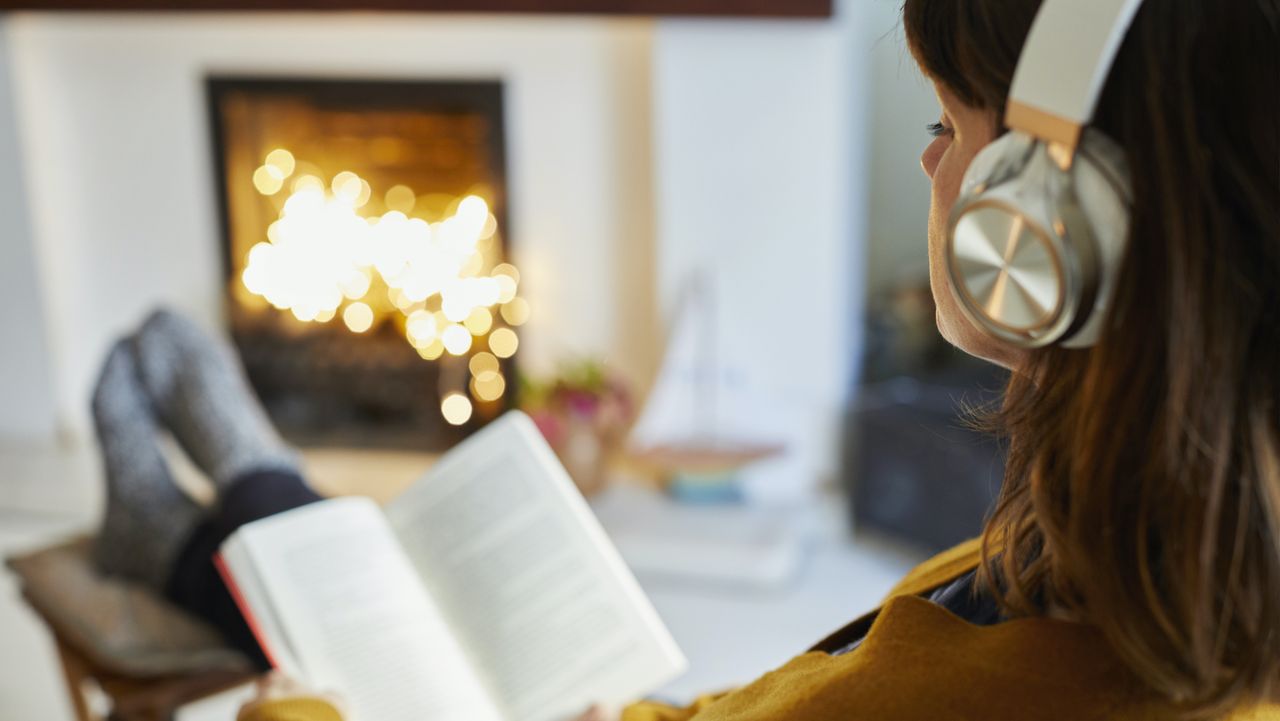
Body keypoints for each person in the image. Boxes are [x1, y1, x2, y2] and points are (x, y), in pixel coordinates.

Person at [91, 0, 1278, 718]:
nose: (930, 170)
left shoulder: (1033, 674)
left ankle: (224, 523)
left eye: (948, 129)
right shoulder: (1166, 564)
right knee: (394, 591)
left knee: (349, 628)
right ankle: (249, 504)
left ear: (1049, 236)